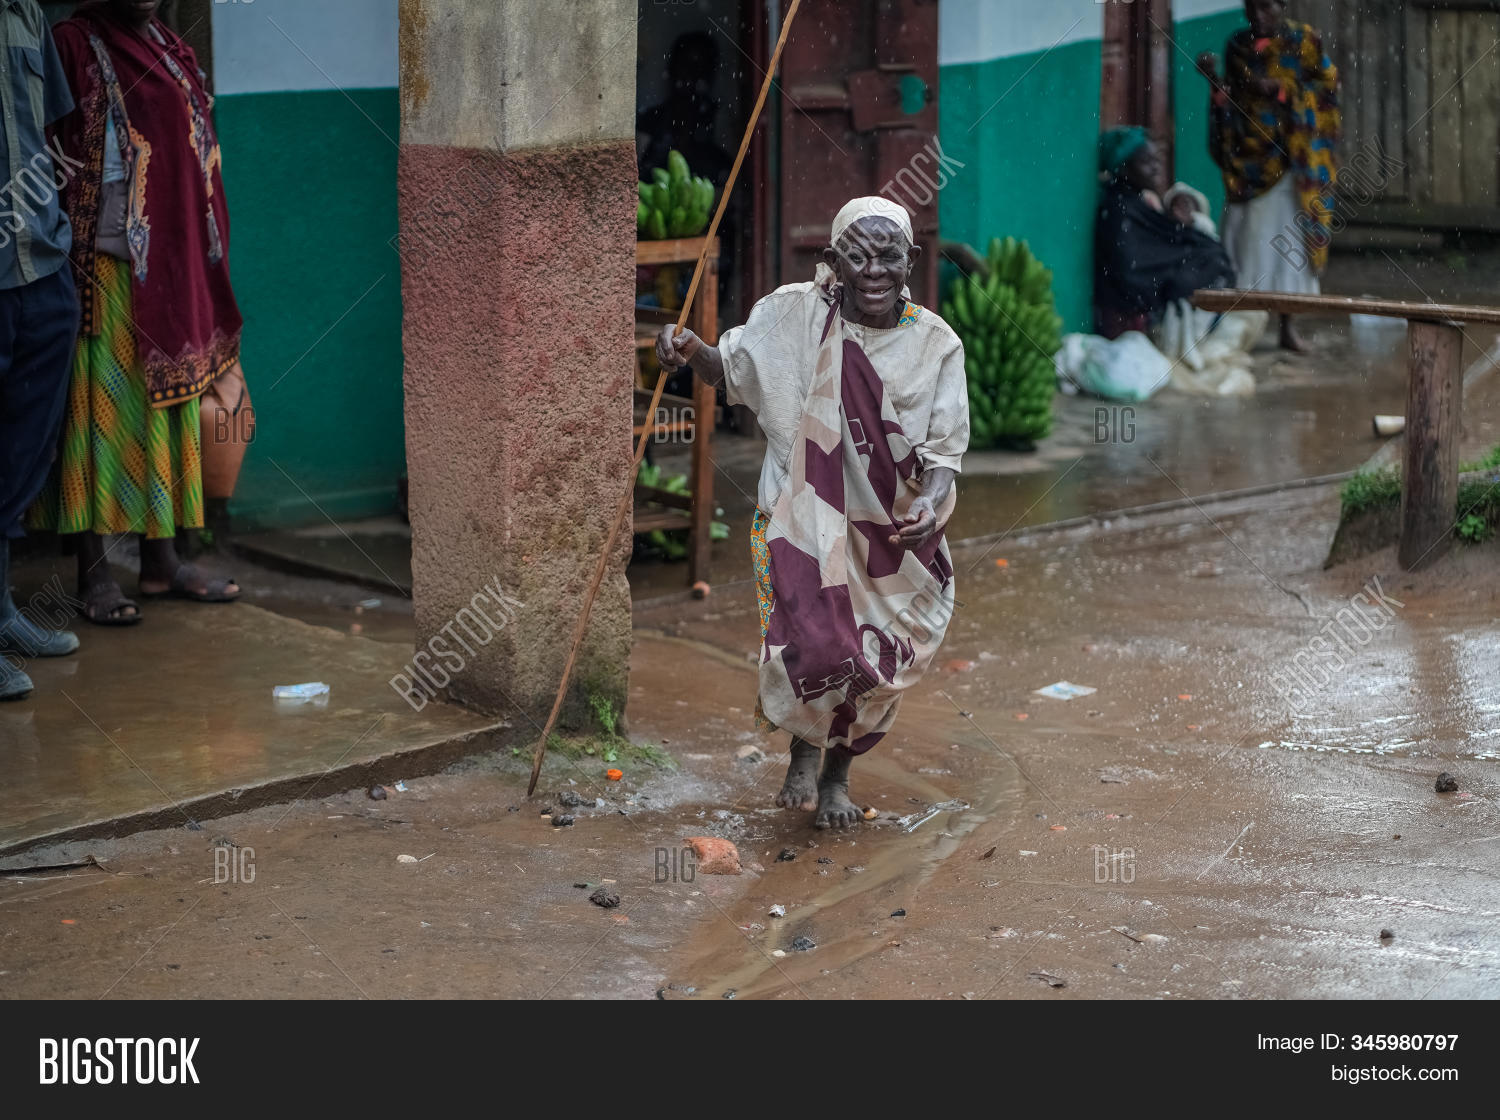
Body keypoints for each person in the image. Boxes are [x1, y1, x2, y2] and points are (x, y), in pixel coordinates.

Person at [656, 197, 968, 830]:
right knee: (814, 644)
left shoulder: (936, 345)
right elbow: (732, 371)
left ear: (910, 261)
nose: (875, 270)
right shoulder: (792, 314)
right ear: (832, 262)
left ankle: (836, 777)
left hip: (887, 532)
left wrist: (932, 507)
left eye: (889, 257)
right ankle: (804, 753)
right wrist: (689, 349)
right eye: (859, 256)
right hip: (795, 518)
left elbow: (943, 454)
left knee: (869, 658)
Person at [30, 0, 242, 623]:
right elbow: (50, 149)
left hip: (170, 271)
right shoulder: (72, 43)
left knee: (168, 416)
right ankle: (93, 572)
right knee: (99, 418)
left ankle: (161, 561)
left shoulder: (169, 48)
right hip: (103, 269)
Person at [0, 0, 82, 700]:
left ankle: (1, 613)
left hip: (39, 272)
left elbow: (49, 130)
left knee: (21, 457)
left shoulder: (27, 13)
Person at [1197, 0, 1339, 352]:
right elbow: (1231, 99)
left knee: (1288, 245)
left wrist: (1281, 91)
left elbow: (1326, 89)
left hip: (1292, 159)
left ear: (1282, 7)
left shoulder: (1303, 42)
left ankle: (1287, 327)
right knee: (1247, 243)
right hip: (1249, 157)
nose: (1259, 17)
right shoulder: (1237, 46)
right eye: (1253, 9)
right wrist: (1216, 86)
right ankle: (1243, 327)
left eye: (1267, 8)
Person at [1093, 127, 1235, 339]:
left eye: (1156, 160)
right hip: (1128, 315)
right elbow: (1131, 272)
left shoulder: (1136, 200)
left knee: (1209, 252)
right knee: (1203, 264)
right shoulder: (1118, 209)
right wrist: (1172, 277)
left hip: (1146, 298)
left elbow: (1163, 242)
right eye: (1146, 162)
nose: (1156, 168)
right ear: (1123, 168)